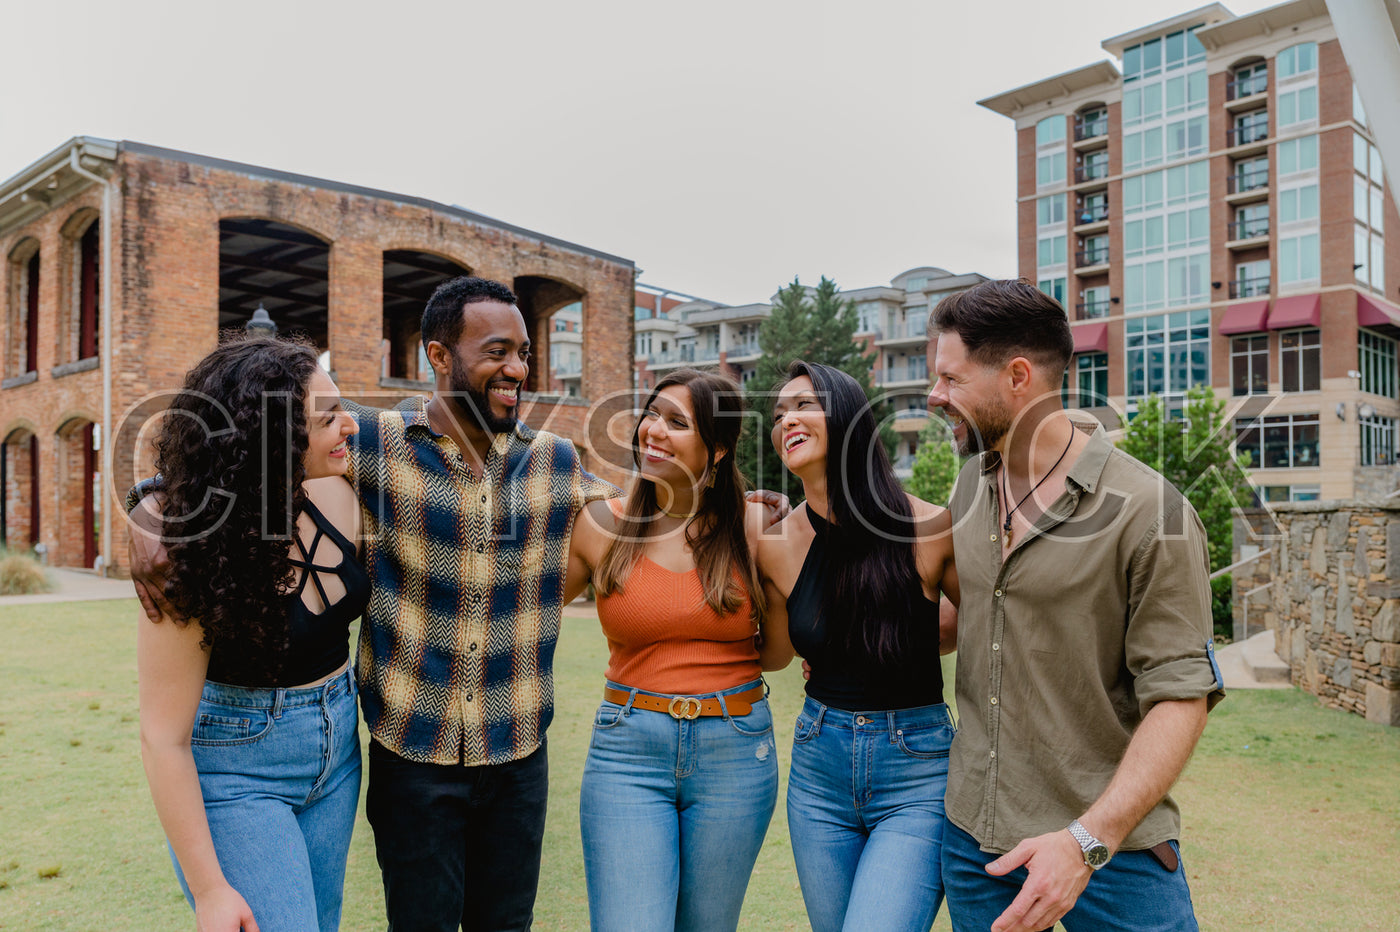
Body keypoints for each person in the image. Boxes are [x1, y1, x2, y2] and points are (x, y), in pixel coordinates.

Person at [926, 279, 1224, 932]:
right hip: (976, 842)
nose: (934, 396)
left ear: (1018, 377)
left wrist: (1086, 841)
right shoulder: (968, 486)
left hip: (1111, 855)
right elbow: (967, 620)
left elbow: (1180, 697)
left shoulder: (1152, 513)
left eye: (949, 379)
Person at [136, 335, 366, 932]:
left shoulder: (340, 487)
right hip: (237, 770)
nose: (352, 426)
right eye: (329, 417)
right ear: (274, 441)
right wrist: (211, 891)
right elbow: (163, 738)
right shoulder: (187, 553)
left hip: (338, 755)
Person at [564, 368, 780, 931]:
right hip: (627, 752)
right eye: (651, 415)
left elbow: (778, 653)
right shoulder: (599, 525)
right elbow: (519, 613)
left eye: (676, 422)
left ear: (717, 449)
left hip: (735, 752)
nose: (652, 430)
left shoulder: (755, 528)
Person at [756, 360, 958, 932]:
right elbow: (775, 656)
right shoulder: (773, 545)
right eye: (778, 413)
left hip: (917, 769)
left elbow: (979, 621)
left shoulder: (929, 527)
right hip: (818, 766)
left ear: (847, 418)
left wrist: (901, 641)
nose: (786, 419)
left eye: (803, 404)